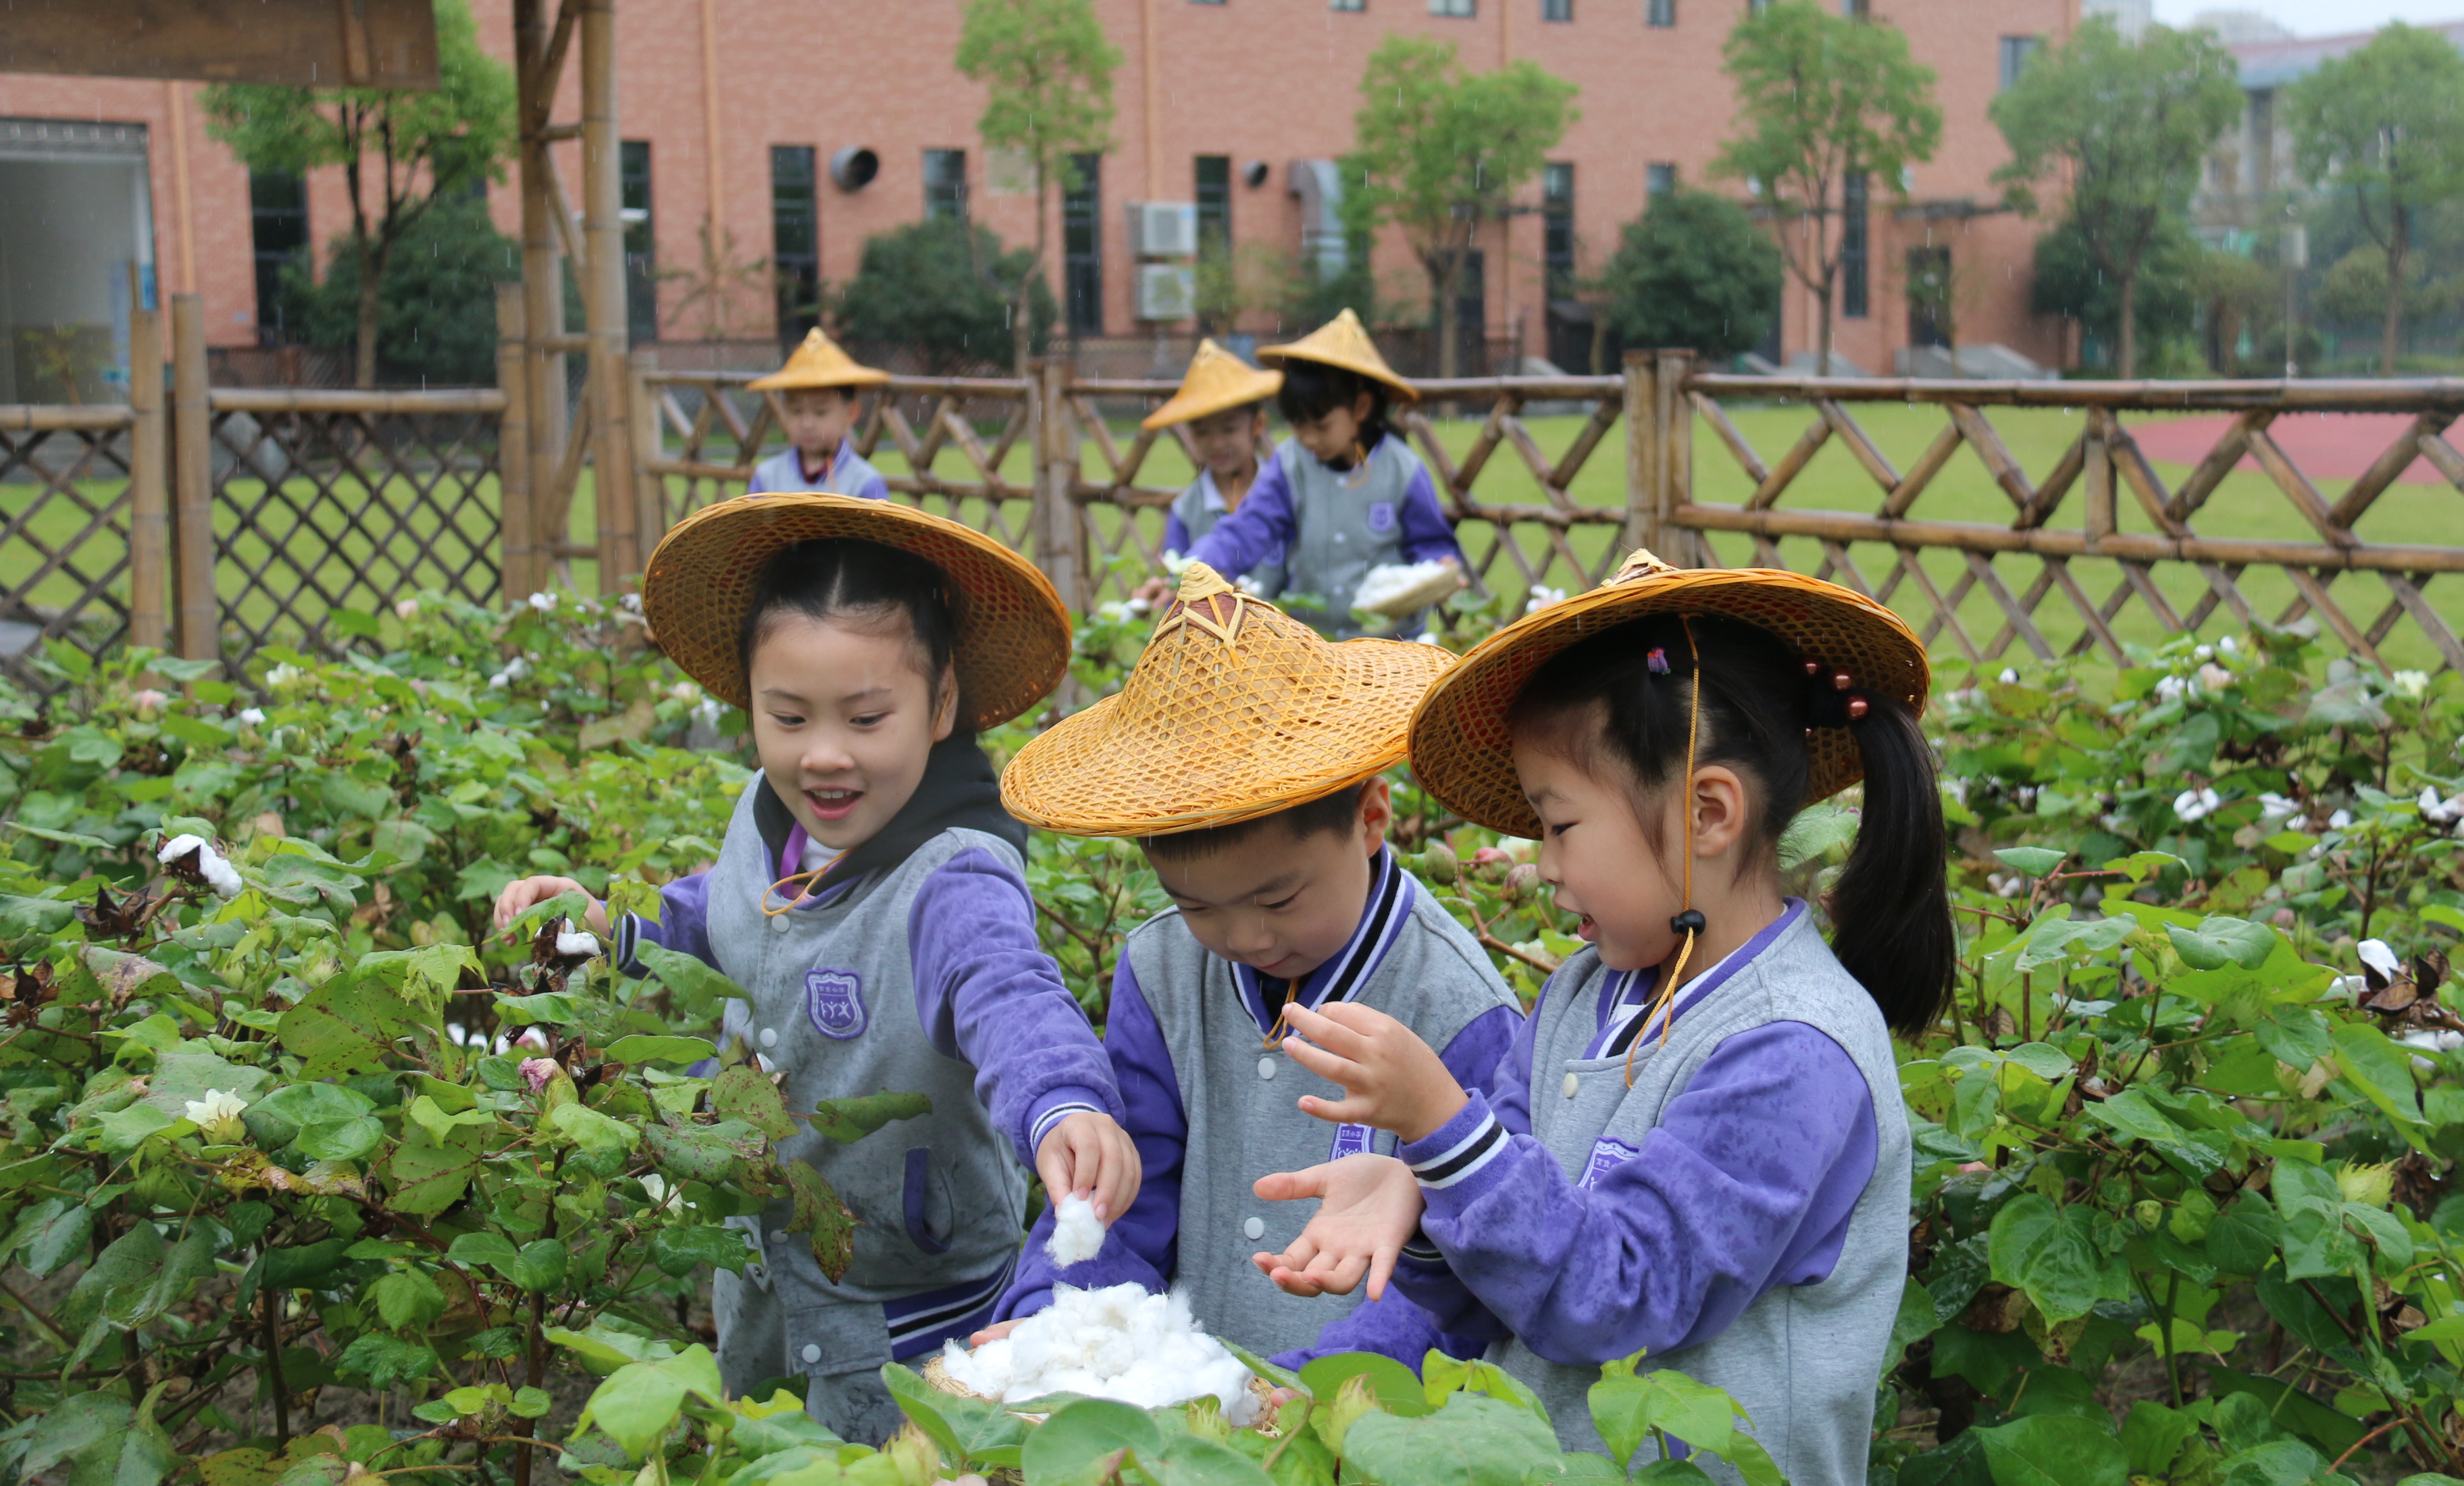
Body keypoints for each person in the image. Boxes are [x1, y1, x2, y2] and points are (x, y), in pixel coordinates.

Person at [1248, 548, 1955, 1475]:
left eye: (1560, 824)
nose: (1542, 865)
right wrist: (1419, 1205)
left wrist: (1441, 1128)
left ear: (1708, 812)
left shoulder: (1792, 1050)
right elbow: (1504, 1293)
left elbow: (1614, 1296)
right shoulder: (1584, 995)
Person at [490, 495, 1138, 1444]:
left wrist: (1064, 1101)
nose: (824, 755)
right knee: (759, 1448)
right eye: (786, 716)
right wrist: (605, 930)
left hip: (912, 1307)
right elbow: (724, 922)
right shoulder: (768, 814)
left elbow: (1008, 991)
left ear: (942, 703)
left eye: (868, 717)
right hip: (761, 1274)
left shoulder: (952, 875)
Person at [980, 561, 1522, 1366]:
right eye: (1198, 906)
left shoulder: (1454, 1004)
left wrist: (1327, 1396)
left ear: (1371, 818)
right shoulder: (1161, 967)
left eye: (1277, 900)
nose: (1245, 939)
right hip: (1195, 1417)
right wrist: (1058, 1323)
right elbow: (1132, 1190)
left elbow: (1466, 1273)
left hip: (1362, 1424)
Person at [1138, 309, 1462, 638]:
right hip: (1311, 645)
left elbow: (1431, 541)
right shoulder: (1290, 463)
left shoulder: (1402, 469)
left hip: (1389, 645)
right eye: (1297, 425)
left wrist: (1442, 565)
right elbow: (1247, 528)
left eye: (1321, 425)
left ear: (1361, 408)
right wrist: (1188, 576)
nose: (1308, 439)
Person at [1147, 338, 1285, 598]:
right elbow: (1175, 591)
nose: (1217, 443)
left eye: (1229, 429)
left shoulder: (1283, 493)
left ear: (1257, 425)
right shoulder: (1186, 510)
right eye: (1202, 433)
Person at [746, 327, 892, 499]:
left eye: (820, 412)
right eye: (796, 411)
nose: (807, 423)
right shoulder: (767, 478)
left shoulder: (864, 483)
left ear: (851, 413)